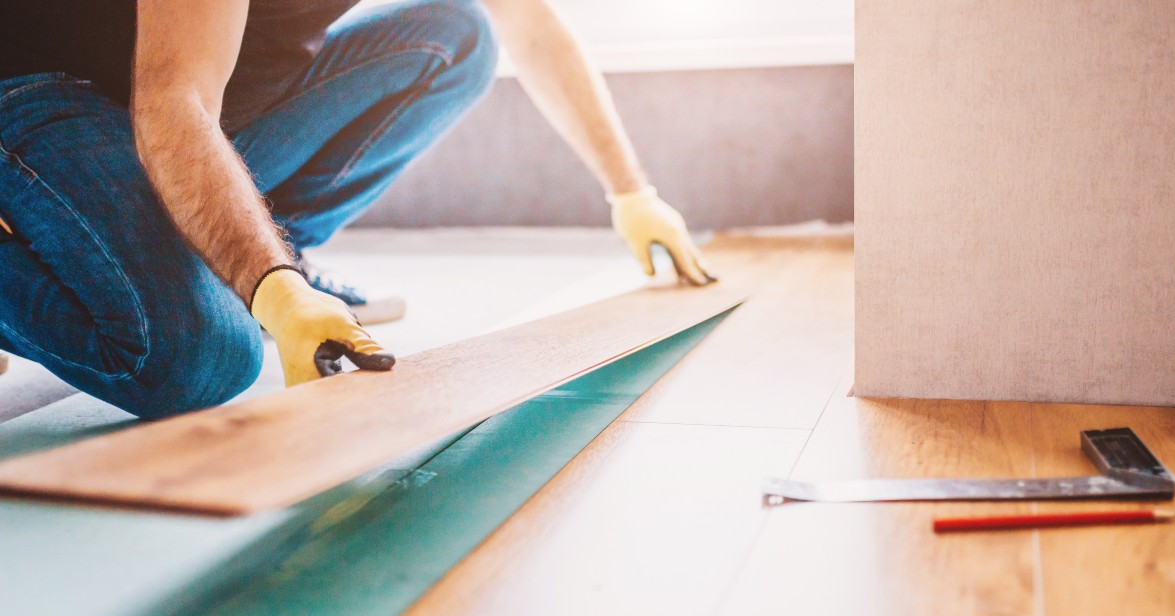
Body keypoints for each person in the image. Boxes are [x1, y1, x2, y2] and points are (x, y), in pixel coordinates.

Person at [0, 0, 715, 419]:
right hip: (52, 93)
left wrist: (632, 192)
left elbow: (532, 30)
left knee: (455, 33)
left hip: (210, 110)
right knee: (198, 357)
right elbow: (172, 99)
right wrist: (271, 290)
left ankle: (269, 253)